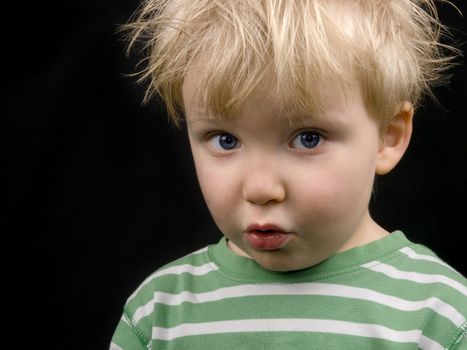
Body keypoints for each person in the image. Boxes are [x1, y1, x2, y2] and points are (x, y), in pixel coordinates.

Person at [110, 0, 467, 348]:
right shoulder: (159, 313)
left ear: (388, 136)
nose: (261, 188)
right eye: (225, 140)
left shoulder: (438, 315)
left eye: (308, 139)